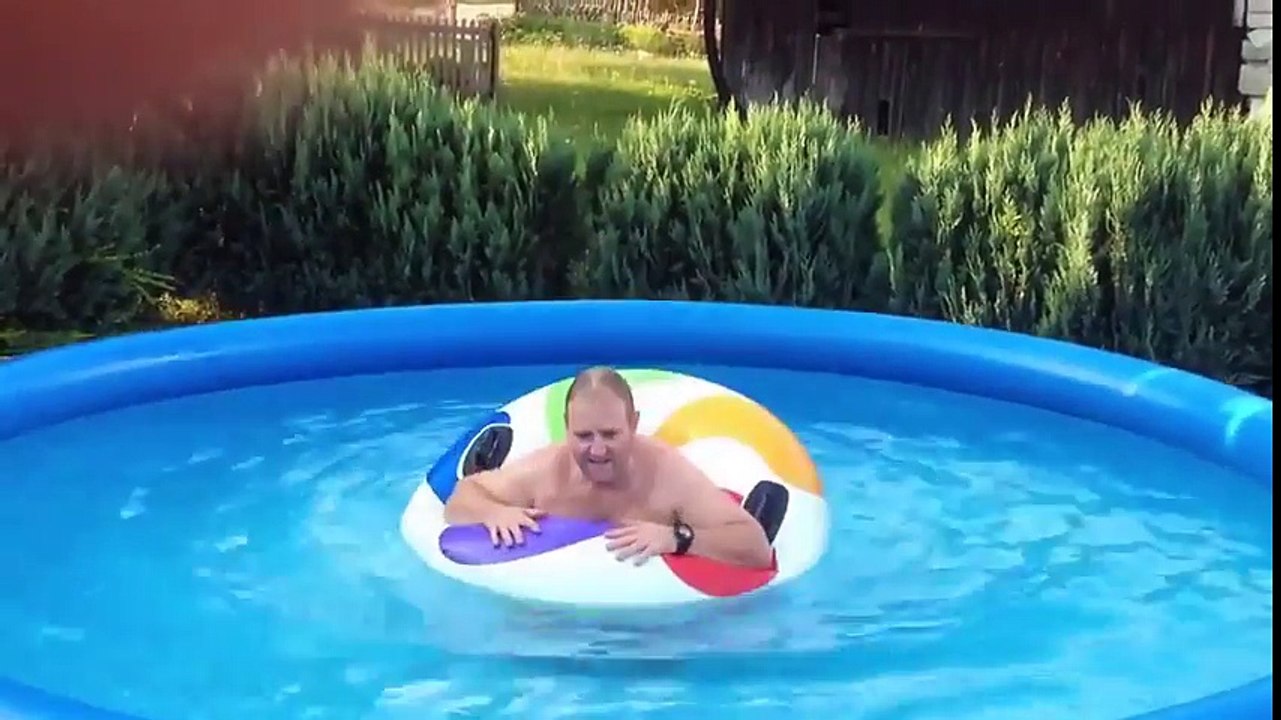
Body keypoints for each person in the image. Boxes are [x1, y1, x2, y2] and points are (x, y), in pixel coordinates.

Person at [442, 366, 775, 569]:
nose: (597, 450)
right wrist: (494, 513)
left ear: (634, 424)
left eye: (611, 434)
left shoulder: (668, 477)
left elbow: (756, 547)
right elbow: (462, 498)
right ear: (566, 428)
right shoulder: (545, 472)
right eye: (584, 435)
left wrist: (677, 538)